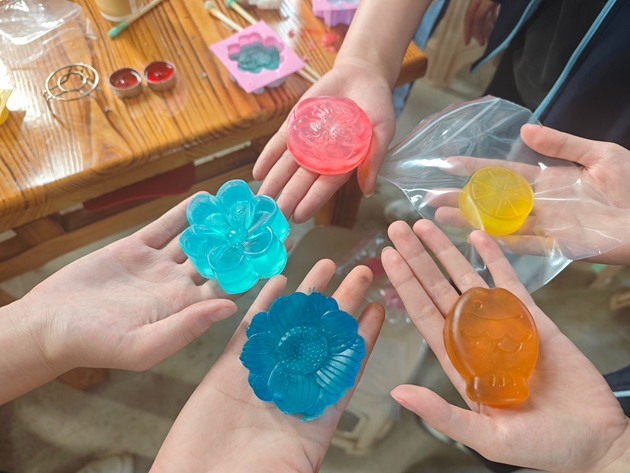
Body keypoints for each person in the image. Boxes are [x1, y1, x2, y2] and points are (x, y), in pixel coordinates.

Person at [253, 0, 630, 227]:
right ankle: (447, 200)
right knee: (495, 133)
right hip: (539, 41)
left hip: (615, 118)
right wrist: (365, 61)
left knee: (546, 207)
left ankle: (473, 225)